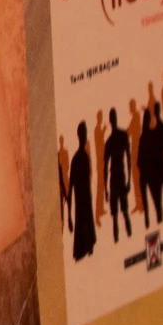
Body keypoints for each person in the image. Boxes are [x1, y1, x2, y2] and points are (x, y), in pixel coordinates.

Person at [63, 122, 96, 262]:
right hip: (81, 205)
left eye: (85, 133)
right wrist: (69, 215)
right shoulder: (77, 159)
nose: (84, 136)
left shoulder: (84, 157)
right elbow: (71, 187)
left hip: (86, 204)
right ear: (79, 135)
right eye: (83, 133)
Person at [102, 111, 133, 244]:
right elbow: (105, 166)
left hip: (118, 177)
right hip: (116, 177)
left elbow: (128, 158)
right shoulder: (115, 139)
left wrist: (129, 180)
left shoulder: (114, 139)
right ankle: (119, 240)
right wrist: (106, 189)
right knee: (117, 214)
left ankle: (128, 238)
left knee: (123, 212)